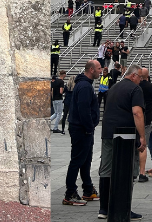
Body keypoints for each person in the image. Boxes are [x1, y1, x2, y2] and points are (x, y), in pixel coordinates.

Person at [97, 65, 147, 220]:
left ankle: (104, 208)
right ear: (133, 76)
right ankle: (124, 208)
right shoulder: (135, 89)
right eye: (140, 77)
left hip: (108, 132)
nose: (141, 80)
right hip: (126, 136)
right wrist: (142, 136)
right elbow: (137, 112)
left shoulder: (114, 87)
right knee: (127, 170)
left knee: (106, 169)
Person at [62, 59, 102, 206]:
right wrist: (89, 127)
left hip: (82, 128)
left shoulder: (84, 84)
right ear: (91, 70)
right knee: (78, 160)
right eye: (98, 68)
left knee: (85, 160)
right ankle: (70, 192)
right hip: (81, 128)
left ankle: (88, 188)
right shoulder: (85, 86)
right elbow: (83, 109)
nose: (101, 71)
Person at [136, 67, 152, 184]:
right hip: (147, 118)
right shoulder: (151, 87)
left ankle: (134, 170)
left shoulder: (136, 87)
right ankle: (142, 172)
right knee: (143, 144)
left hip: (134, 118)